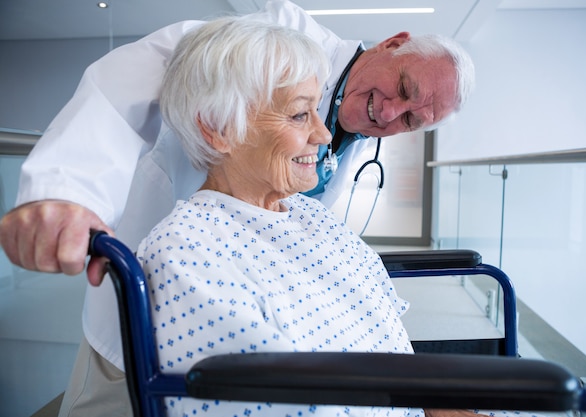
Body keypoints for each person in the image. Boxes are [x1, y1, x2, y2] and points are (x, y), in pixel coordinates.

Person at [0, 1, 475, 415]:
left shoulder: (329, 158)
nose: (392, 114)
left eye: (412, 119)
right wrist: (67, 188)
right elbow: (134, 77)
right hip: (163, 303)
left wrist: (420, 391)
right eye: (405, 89)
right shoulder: (281, 41)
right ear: (393, 43)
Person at [138, 16, 415, 416]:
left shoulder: (308, 213)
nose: (323, 136)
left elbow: (384, 326)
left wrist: (430, 400)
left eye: (316, 112)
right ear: (218, 128)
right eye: (300, 115)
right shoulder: (188, 252)